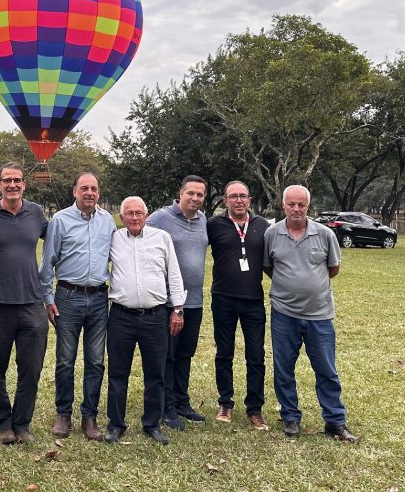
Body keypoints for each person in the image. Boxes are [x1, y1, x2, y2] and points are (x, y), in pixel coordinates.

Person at [263, 185, 358, 443]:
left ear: (308, 206)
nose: (296, 209)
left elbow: (333, 269)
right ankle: (290, 416)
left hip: (320, 315)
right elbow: (269, 267)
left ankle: (335, 421)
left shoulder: (325, 234)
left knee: (326, 369)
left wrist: (309, 287)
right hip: (284, 313)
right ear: (283, 205)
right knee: (283, 369)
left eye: (301, 205)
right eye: (291, 204)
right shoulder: (272, 234)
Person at [0, 163, 48, 445]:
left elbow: (56, 239)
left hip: (32, 302)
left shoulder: (36, 213)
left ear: (24, 184)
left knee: (31, 368)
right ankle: (2, 422)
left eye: (17, 180)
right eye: (7, 181)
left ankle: (22, 422)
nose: (13, 185)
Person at [103, 197, 186, 446]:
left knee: (156, 373)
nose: (135, 218)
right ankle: (116, 424)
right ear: (122, 216)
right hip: (120, 316)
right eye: (129, 213)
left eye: (139, 213)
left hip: (155, 316)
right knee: (118, 372)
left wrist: (178, 310)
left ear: (147, 215)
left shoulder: (161, 238)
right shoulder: (114, 239)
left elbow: (174, 273)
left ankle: (152, 423)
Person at [39, 172, 115, 441]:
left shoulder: (108, 221)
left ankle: (89, 416)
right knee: (65, 360)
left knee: (95, 360)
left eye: (94, 188)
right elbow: (47, 262)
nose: (90, 193)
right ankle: (63, 414)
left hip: (98, 298)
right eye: (84, 188)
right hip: (67, 298)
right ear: (75, 192)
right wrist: (47, 298)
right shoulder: (60, 220)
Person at [206, 180, 271, 431]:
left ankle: (255, 408)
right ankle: (226, 402)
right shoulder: (214, 225)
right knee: (224, 353)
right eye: (233, 196)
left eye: (243, 196)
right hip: (222, 297)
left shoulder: (262, 225)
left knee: (256, 355)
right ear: (225, 201)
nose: (239, 200)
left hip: (253, 299)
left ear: (250, 200)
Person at [146, 175, 209, 431]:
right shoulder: (160, 219)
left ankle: (182, 402)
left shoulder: (204, 220)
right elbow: (140, 238)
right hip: (169, 303)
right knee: (168, 355)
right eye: (190, 193)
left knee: (185, 353)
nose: (195, 198)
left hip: (194, 301)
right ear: (180, 193)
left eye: (200, 195)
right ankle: (166, 406)